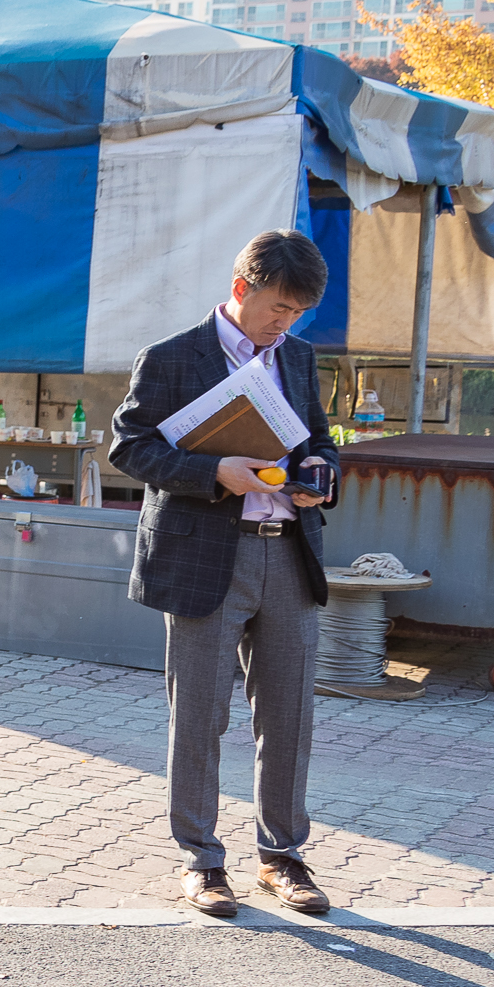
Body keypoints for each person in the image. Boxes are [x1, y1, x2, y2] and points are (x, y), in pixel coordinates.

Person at [109, 229, 342, 920]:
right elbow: (129, 445)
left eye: (297, 314)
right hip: (207, 555)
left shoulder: (297, 360)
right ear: (242, 288)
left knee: (290, 716)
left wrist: (322, 476)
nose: (284, 324)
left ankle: (283, 858)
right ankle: (203, 863)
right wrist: (213, 471)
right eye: (277, 307)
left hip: (288, 552)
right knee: (201, 717)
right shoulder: (172, 358)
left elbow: (322, 441)